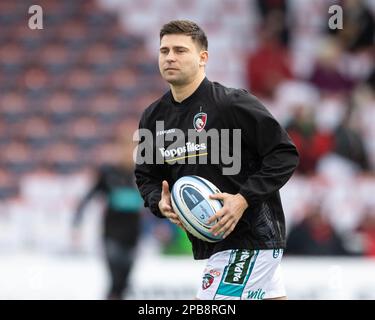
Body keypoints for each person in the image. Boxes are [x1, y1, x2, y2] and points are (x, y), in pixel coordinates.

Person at [134, 20, 299, 300]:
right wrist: (158, 202)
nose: (170, 57)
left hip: (251, 238)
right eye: (164, 51)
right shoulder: (153, 117)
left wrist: (242, 199)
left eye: (180, 50)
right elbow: (146, 175)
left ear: (203, 58)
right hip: (218, 244)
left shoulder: (232, 104)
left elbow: (284, 154)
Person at [73, 122, 143, 300]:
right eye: (124, 146)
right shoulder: (108, 173)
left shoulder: (142, 174)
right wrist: (76, 223)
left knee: (124, 283)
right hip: (111, 234)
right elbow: (88, 197)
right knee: (115, 280)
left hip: (133, 235)